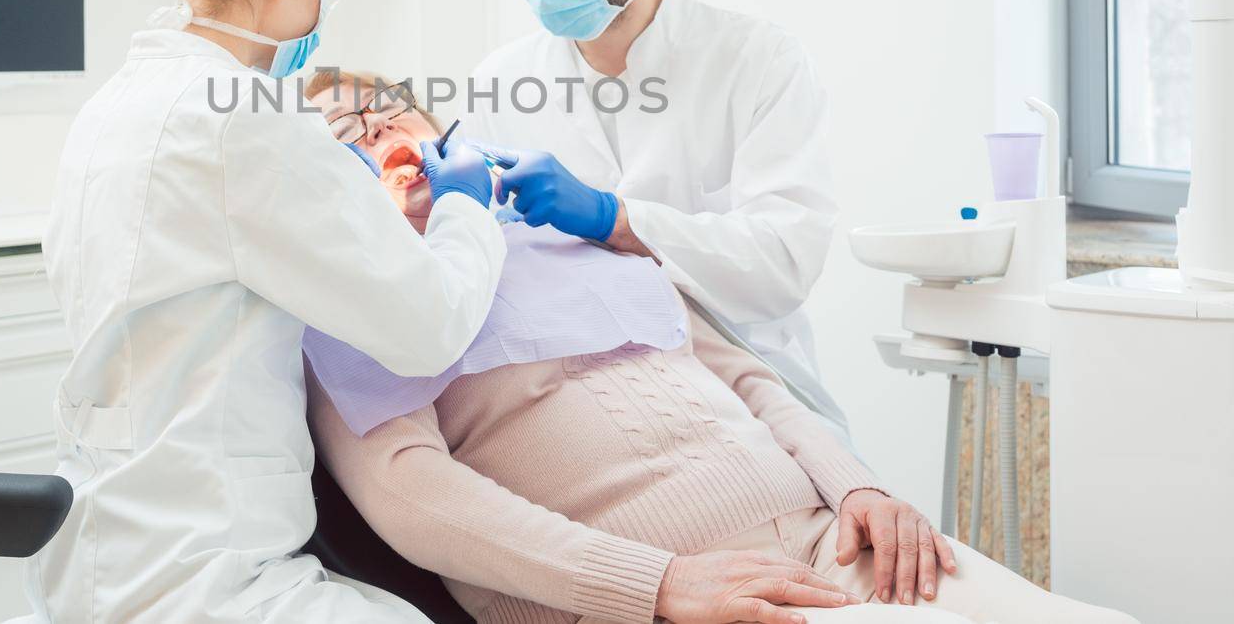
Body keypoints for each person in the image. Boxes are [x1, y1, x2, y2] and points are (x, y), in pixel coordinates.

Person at [302, 71, 1139, 624]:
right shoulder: (358, 302)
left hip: (827, 546)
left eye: (390, 106)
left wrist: (860, 488)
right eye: (347, 125)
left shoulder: (561, 238)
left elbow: (748, 377)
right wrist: (657, 585)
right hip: (673, 597)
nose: (379, 125)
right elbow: (412, 498)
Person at [31, 0, 506, 624]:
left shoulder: (116, 104)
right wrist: (467, 207)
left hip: (98, 549)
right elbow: (431, 328)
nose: (328, 18)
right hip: (201, 572)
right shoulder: (244, 120)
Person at [462, 0, 844, 423]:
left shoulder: (757, 61)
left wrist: (616, 220)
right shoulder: (500, 81)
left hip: (750, 394)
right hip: (585, 404)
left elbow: (783, 263)